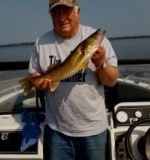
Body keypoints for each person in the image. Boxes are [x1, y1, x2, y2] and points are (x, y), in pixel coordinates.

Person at [28, 0, 119, 159]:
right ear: (51, 16)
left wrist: (100, 64)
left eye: (66, 11)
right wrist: (38, 83)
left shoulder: (99, 43)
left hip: (93, 130)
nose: (62, 17)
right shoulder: (41, 43)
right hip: (57, 130)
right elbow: (34, 76)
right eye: (57, 12)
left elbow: (111, 81)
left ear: (78, 12)